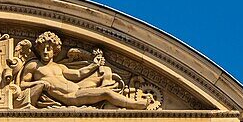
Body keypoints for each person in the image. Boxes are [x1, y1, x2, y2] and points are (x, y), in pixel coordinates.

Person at [16, 32, 148, 110]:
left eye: (49, 48)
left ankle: (119, 98)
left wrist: (94, 65)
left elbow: (78, 74)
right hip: (71, 97)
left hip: (78, 87)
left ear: (55, 51)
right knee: (106, 92)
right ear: (38, 49)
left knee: (103, 73)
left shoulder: (59, 67)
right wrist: (40, 84)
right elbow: (22, 85)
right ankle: (134, 104)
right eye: (43, 48)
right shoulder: (33, 65)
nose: (45, 51)